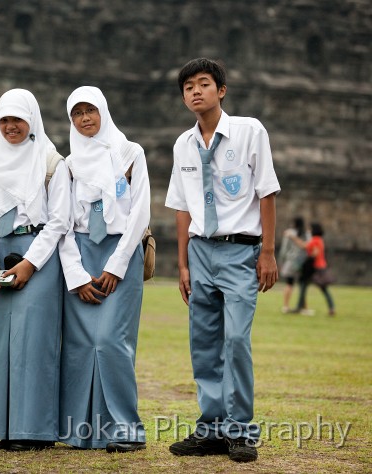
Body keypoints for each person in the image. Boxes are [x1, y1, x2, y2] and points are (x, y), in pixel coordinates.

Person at [164, 58, 280, 463]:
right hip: (200, 251)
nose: (195, 92)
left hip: (241, 250)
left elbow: (267, 192)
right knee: (204, 344)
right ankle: (211, 428)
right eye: (188, 87)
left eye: (203, 84)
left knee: (235, 340)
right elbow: (181, 208)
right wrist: (182, 264)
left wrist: (267, 251)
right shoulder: (183, 144)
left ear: (221, 90)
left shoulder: (249, 132)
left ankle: (241, 430)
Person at [0, 89, 71, 451]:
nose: (11, 127)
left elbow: (60, 220)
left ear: (31, 120)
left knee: (34, 342)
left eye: (18, 119)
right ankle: (3, 427)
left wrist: (31, 264)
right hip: (0, 253)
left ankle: (34, 431)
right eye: (4, 120)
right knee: (0, 344)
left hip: (39, 256)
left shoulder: (50, 161)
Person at [58, 86, 150, 453]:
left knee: (112, 343)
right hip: (81, 252)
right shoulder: (68, 164)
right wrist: (76, 275)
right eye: (77, 113)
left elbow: (140, 212)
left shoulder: (130, 153)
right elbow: (61, 222)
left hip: (121, 253)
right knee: (81, 346)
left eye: (90, 110)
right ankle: (82, 431)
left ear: (103, 112)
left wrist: (117, 264)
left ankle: (127, 430)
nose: (84, 119)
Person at [291, 223, 335, 316]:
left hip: (314, 268)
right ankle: (331, 308)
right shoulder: (320, 240)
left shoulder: (315, 240)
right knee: (322, 288)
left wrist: (293, 237)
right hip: (321, 266)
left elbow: (305, 246)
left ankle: (299, 307)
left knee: (304, 286)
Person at [278, 216, 307, 313]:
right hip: (303, 261)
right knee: (302, 285)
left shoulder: (289, 233)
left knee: (289, 283)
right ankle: (303, 306)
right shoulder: (305, 234)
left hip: (291, 261)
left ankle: (286, 305)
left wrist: (280, 261)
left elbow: (284, 249)